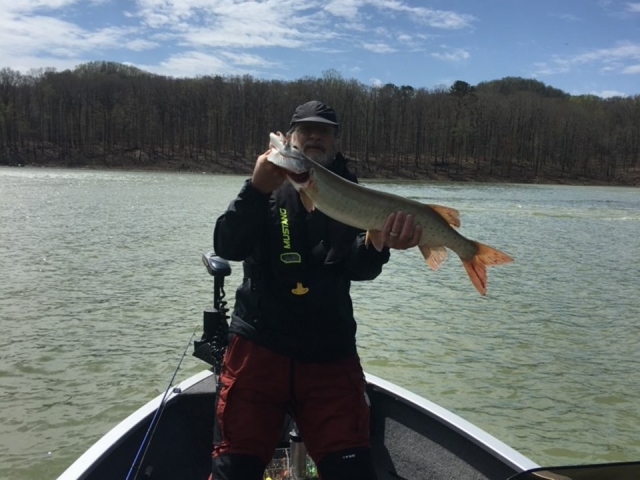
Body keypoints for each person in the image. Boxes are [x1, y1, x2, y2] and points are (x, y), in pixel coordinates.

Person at [211, 100, 421, 480]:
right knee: (234, 468)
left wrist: (379, 244)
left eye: (323, 131)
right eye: (305, 129)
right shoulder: (265, 186)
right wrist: (255, 190)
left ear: (335, 141)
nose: (314, 136)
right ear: (291, 138)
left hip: (329, 352)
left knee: (352, 471)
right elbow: (228, 245)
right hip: (260, 347)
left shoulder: (351, 191)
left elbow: (357, 267)